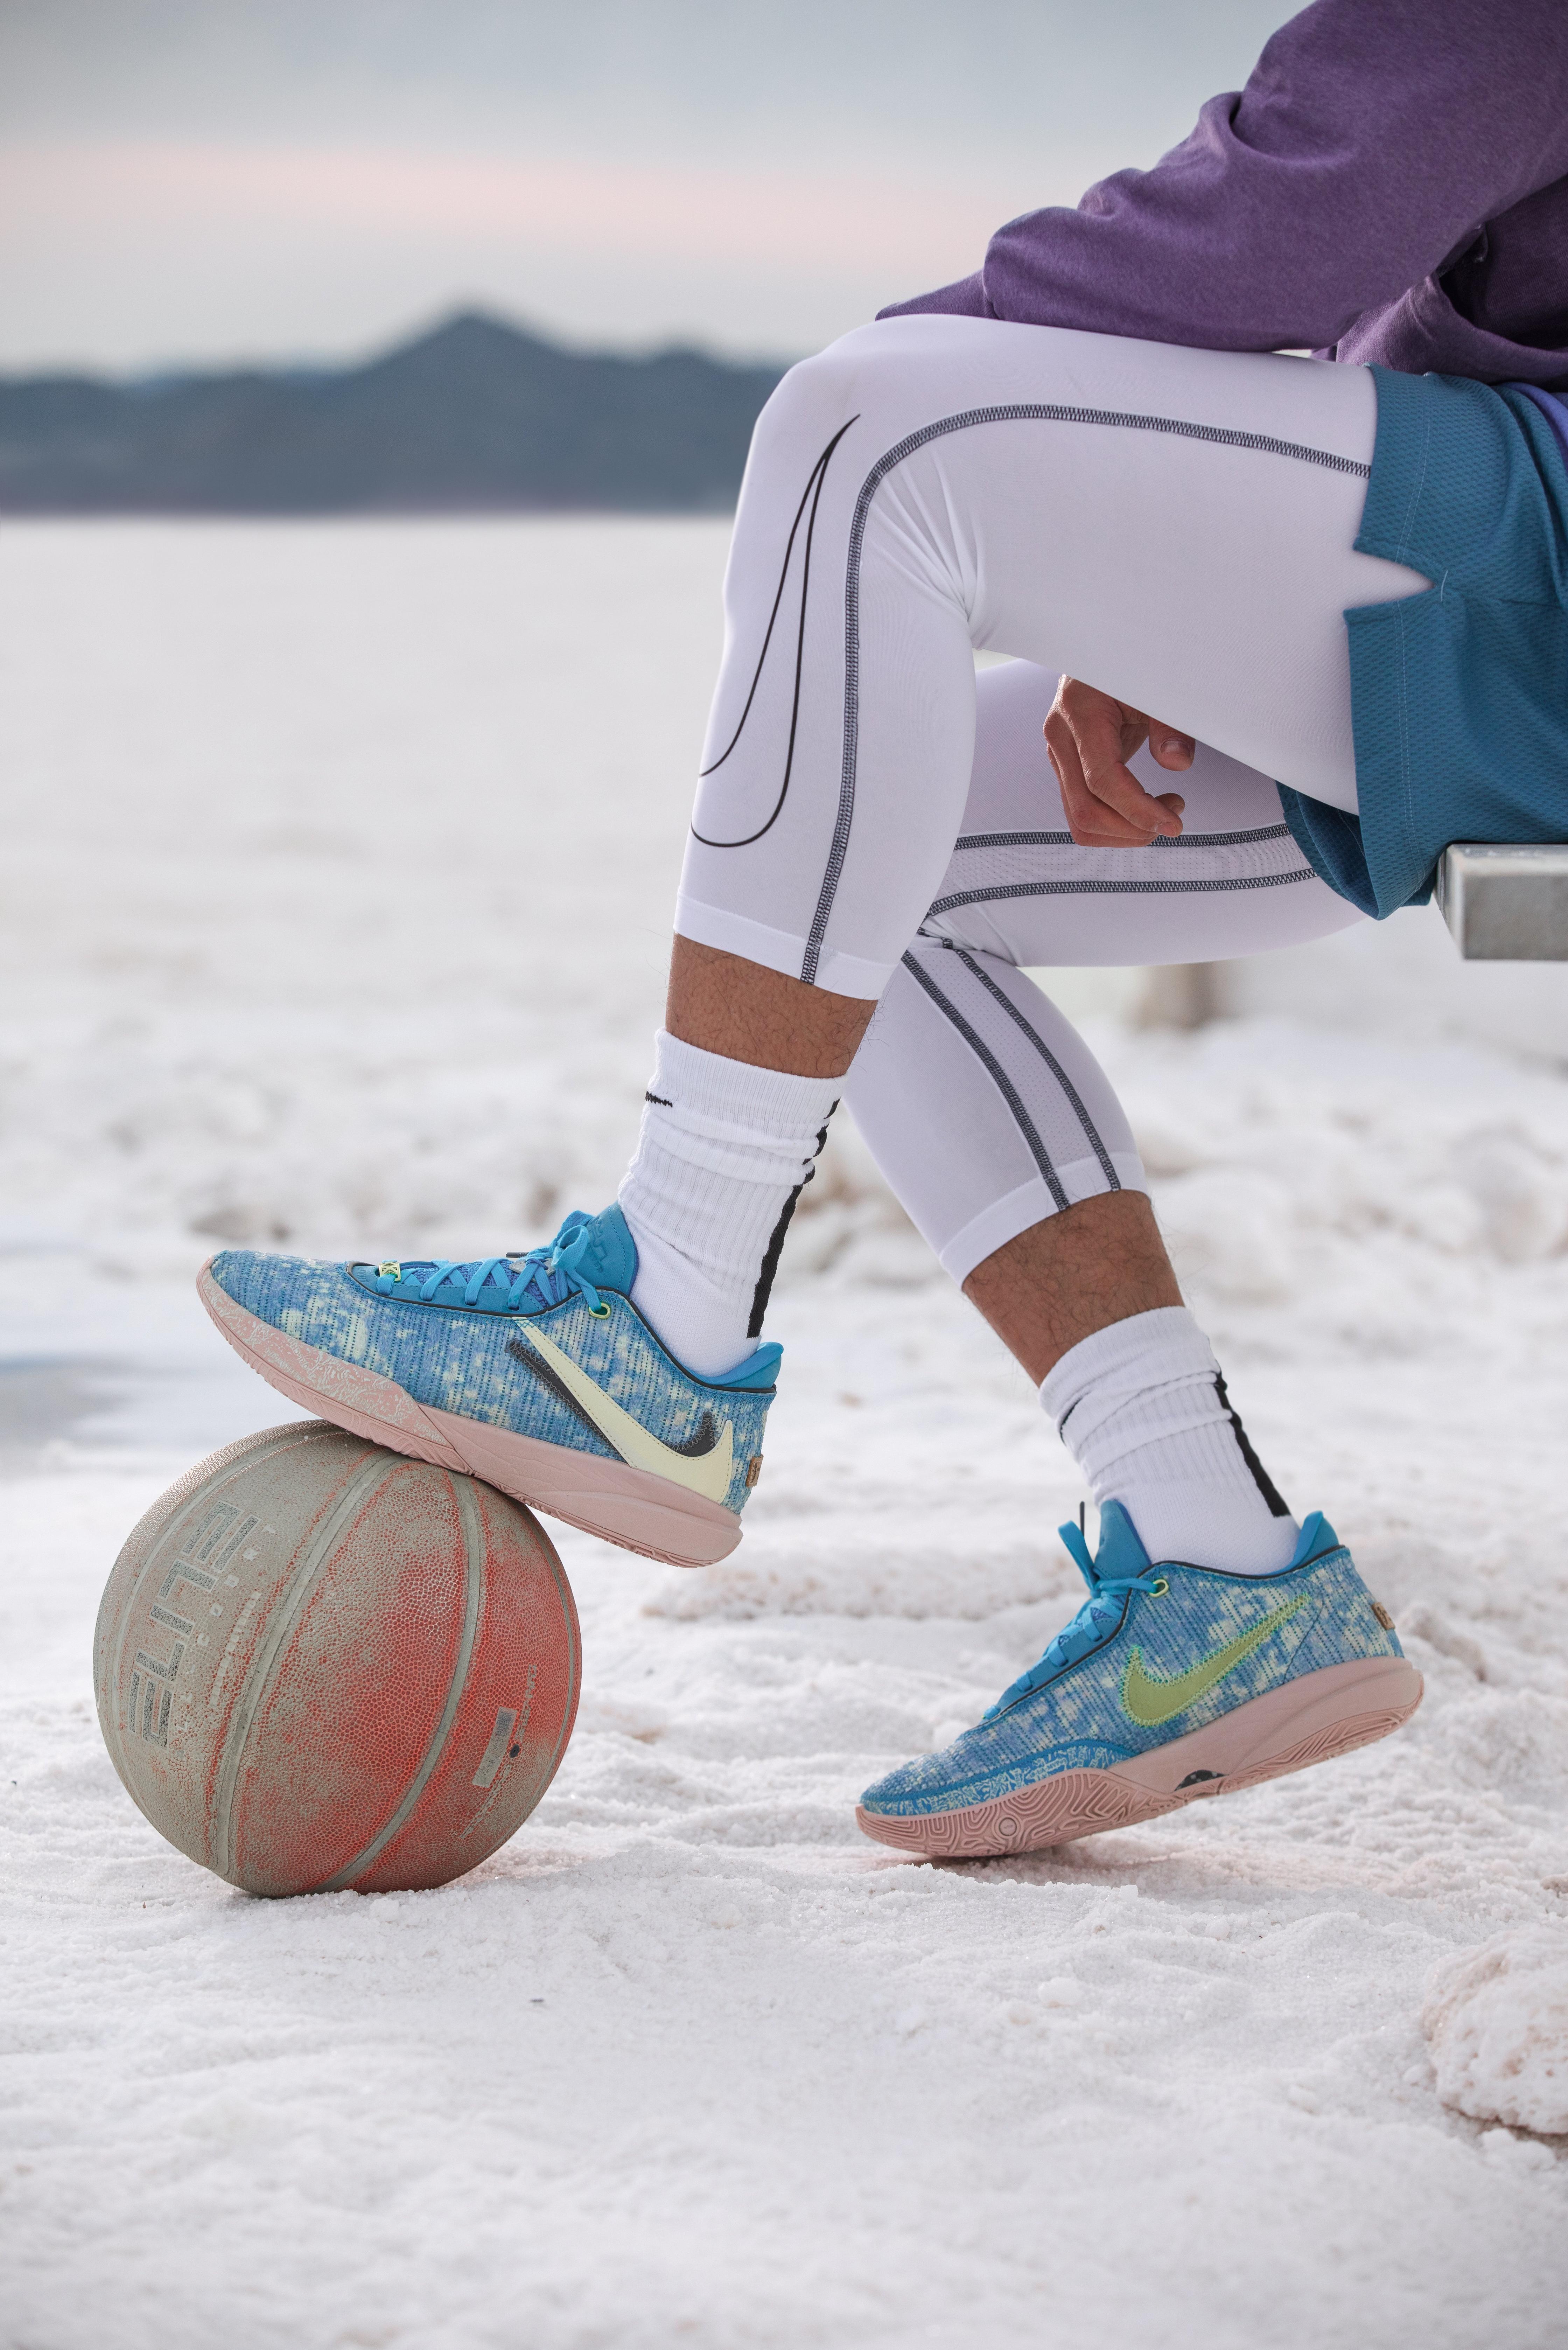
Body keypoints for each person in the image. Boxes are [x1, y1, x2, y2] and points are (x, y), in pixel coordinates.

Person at [201, 0, 1568, 1858]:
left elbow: (1300, 203)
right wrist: (1165, 589)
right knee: (891, 848)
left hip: (1536, 554)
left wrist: (950, 361)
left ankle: (658, 1331)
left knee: (866, 430)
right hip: (1511, 549)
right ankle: (1215, 1561)